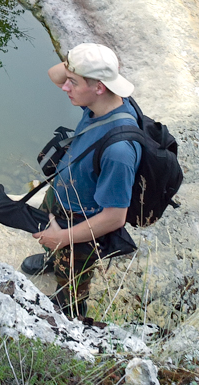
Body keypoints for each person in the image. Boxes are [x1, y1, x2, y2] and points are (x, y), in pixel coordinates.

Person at [20, 43, 141, 319]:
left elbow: (114, 217)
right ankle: (52, 261)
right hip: (65, 193)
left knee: (72, 281)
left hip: (81, 221)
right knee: (47, 236)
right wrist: (79, 65)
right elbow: (55, 74)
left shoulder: (120, 151)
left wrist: (62, 238)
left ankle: (68, 307)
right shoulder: (100, 101)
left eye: (72, 82)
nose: (64, 86)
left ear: (99, 86)